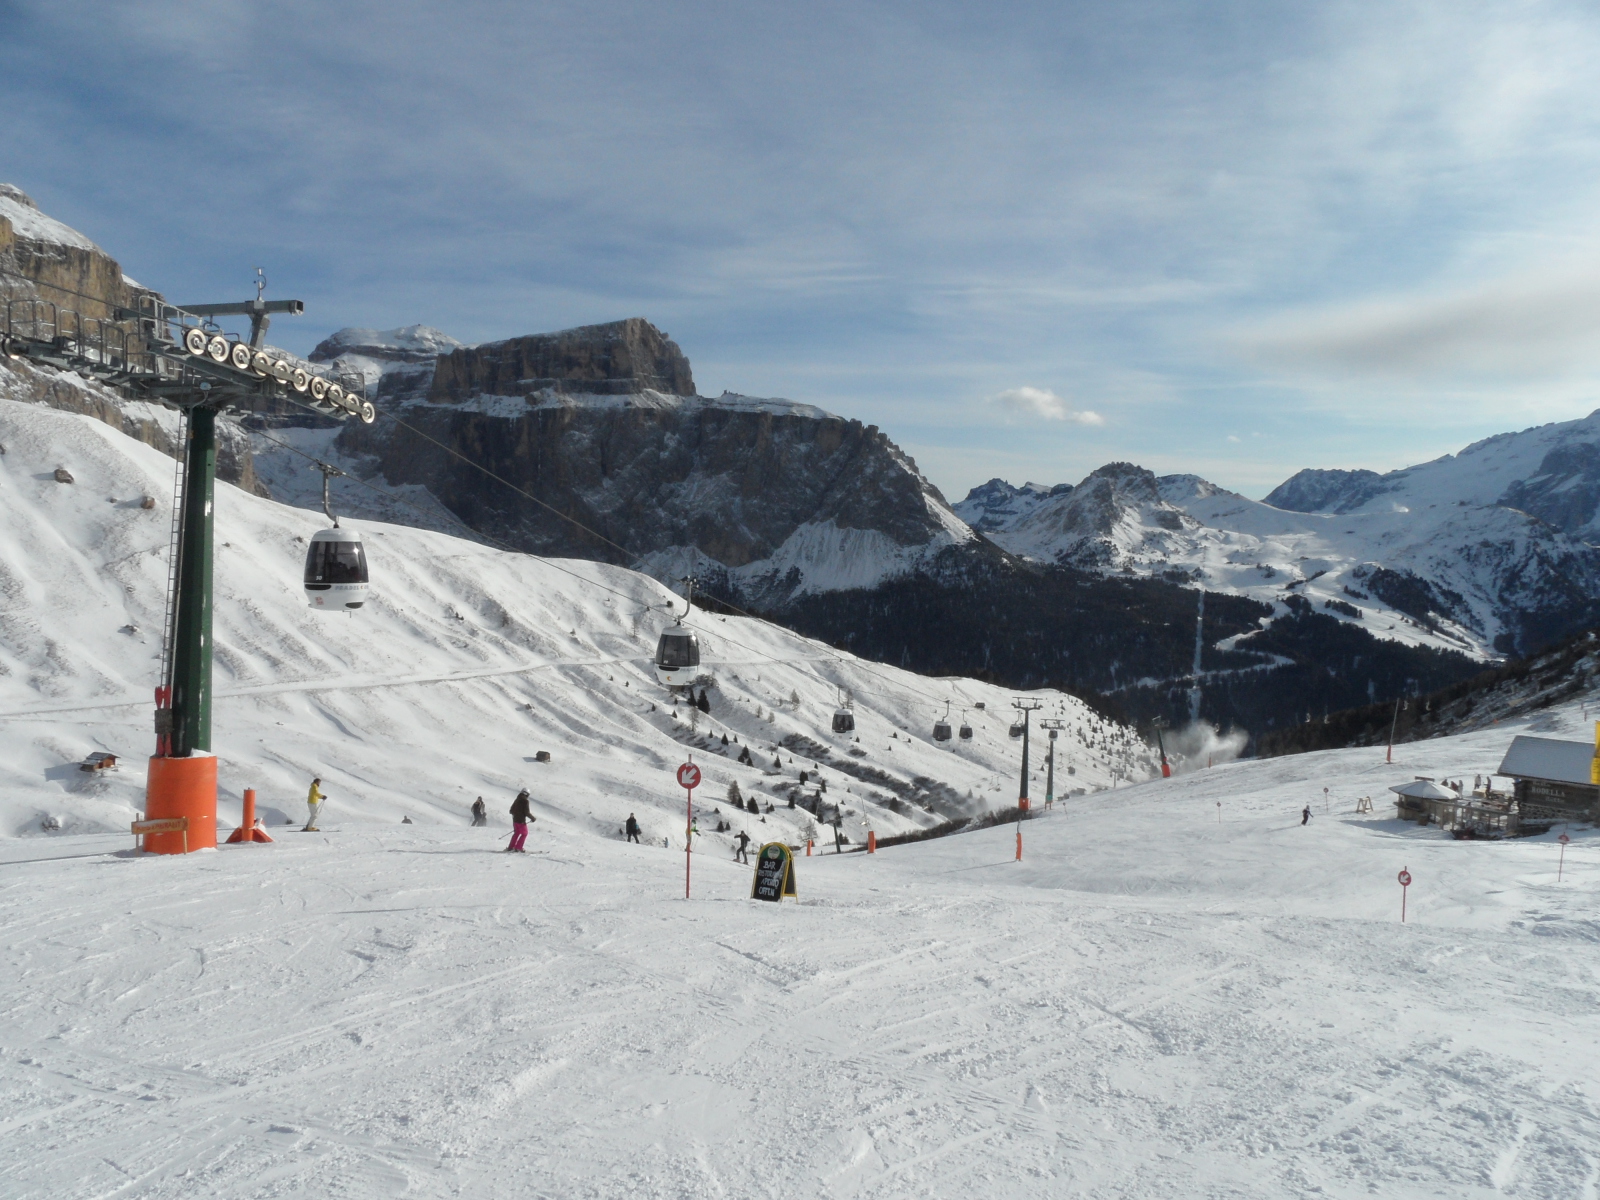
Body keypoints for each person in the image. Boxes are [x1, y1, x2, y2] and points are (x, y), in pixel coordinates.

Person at [507, 788, 533, 852]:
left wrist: (516, 814)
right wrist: (533, 818)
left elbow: (511, 810)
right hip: (521, 821)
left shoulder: (517, 799)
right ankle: (518, 847)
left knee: (517, 833)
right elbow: (527, 812)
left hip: (515, 820)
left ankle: (511, 847)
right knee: (524, 833)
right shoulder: (525, 801)